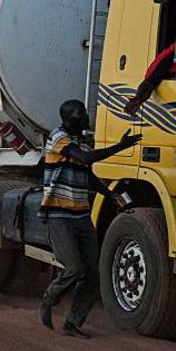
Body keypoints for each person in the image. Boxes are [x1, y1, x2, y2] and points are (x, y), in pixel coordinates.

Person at [39, 99, 142, 338]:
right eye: (79, 114)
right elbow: (86, 160)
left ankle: (72, 324)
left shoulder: (78, 142)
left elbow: (86, 173)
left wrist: (109, 195)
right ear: (66, 118)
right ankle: (48, 300)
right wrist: (120, 146)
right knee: (73, 268)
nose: (85, 117)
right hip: (60, 215)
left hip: (81, 215)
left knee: (92, 275)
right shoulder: (58, 138)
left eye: (84, 112)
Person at [125, 43, 176, 116]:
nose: (137, 108)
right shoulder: (141, 97)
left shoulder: (142, 91)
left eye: (134, 107)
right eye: (135, 108)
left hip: (154, 76)